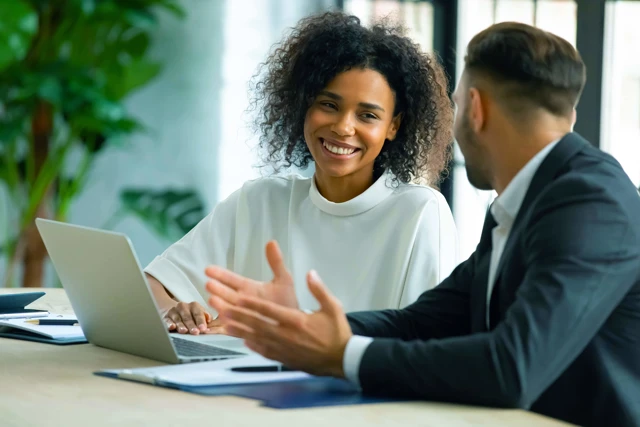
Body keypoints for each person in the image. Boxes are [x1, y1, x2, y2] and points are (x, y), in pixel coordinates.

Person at [205, 22, 640, 427]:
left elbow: (512, 367)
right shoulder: (525, 203)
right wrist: (302, 328)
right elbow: (422, 322)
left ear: (475, 108)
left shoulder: (591, 202)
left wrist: (343, 355)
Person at [144, 12, 458, 336]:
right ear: (303, 104)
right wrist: (172, 310)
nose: (343, 127)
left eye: (367, 115)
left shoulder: (419, 213)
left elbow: (426, 342)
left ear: (393, 125)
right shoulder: (260, 201)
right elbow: (150, 284)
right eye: (329, 105)